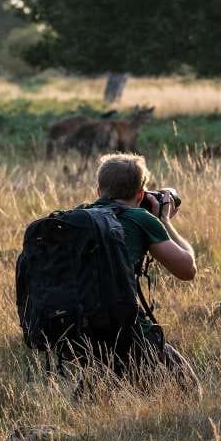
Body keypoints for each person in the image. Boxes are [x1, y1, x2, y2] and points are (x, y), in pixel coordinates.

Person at [87, 153, 200, 394]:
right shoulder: (140, 218)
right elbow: (187, 269)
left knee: (96, 391)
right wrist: (164, 221)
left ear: (98, 191)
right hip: (126, 325)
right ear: (140, 195)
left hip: (80, 326)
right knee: (189, 390)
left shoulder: (80, 217)